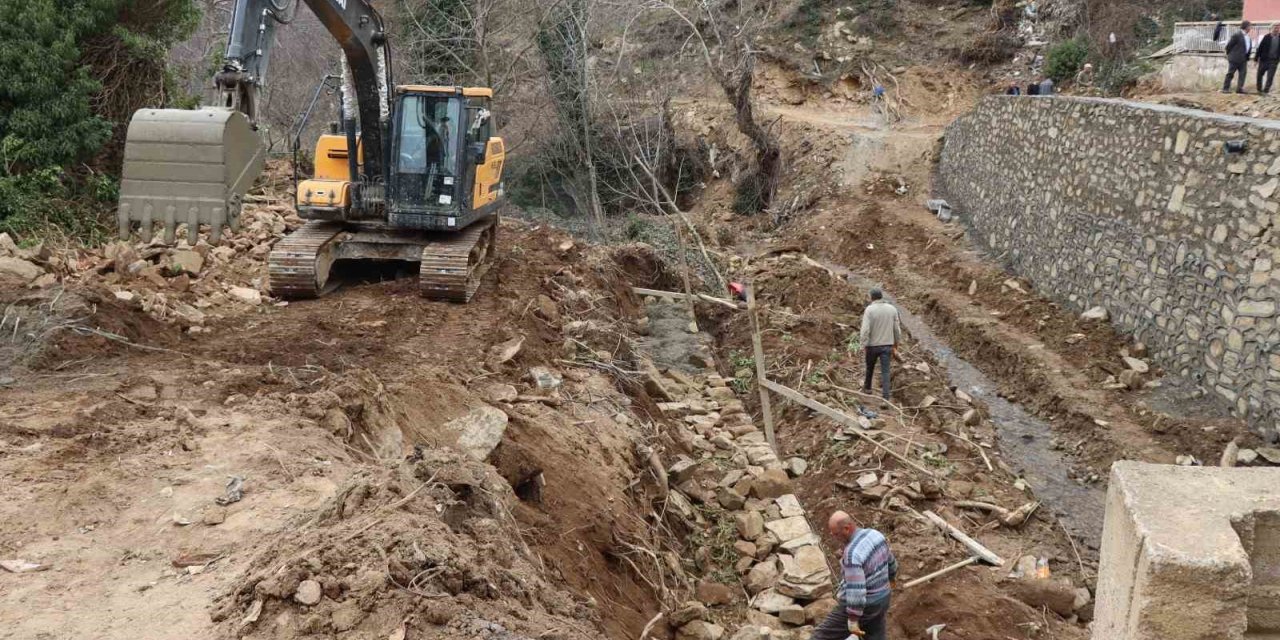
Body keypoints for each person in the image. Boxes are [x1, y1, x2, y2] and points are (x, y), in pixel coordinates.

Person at [811, 511, 898, 640]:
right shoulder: (875, 535)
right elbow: (890, 560)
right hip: (883, 598)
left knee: (821, 636)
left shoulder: (852, 554)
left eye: (836, 534)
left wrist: (852, 619)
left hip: (866, 605)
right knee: (875, 634)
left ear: (847, 528)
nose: (834, 537)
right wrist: (891, 578)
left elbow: (856, 591)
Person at [859, 288, 901, 400]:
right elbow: (896, 329)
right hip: (887, 346)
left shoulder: (869, 310)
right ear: (881, 297)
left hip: (872, 346)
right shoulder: (892, 309)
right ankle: (885, 398)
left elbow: (865, 330)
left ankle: (867, 388)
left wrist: (863, 344)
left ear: (871, 297)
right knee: (886, 372)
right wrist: (896, 343)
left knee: (869, 367)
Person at [1224, 21, 1254, 94]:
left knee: (1243, 74)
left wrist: (1247, 57)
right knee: (1230, 73)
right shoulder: (1237, 35)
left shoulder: (1248, 37)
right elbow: (1229, 46)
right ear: (1246, 27)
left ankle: (1239, 89)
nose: (1250, 28)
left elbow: (1248, 48)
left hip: (1243, 59)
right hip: (1234, 58)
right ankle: (1225, 88)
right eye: (1249, 26)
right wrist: (1229, 55)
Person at [1258, 24, 1280, 94]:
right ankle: (1259, 89)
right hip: (1264, 60)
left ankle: (1266, 91)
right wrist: (1256, 58)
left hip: (1274, 61)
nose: (1276, 29)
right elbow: (1260, 48)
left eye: (1278, 28)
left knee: (1270, 76)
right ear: (1271, 29)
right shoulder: (1266, 37)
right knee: (1259, 74)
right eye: (1275, 28)